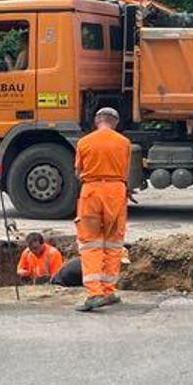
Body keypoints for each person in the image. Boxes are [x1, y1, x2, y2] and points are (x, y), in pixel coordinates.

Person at [73, 106, 131, 312]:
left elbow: (78, 171)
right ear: (115, 123)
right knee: (113, 243)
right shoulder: (124, 142)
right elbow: (125, 171)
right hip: (116, 192)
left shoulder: (84, 142)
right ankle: (108, 291)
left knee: (91, 243)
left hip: (91, 192)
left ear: (97, 121)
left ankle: (94, 293)